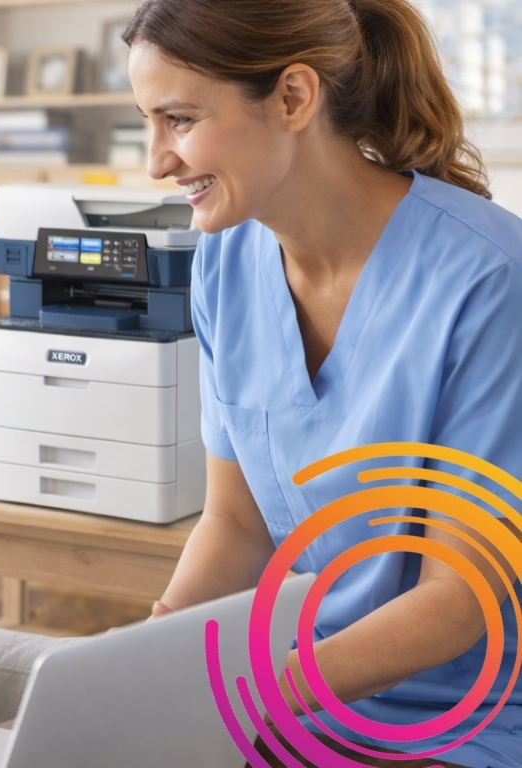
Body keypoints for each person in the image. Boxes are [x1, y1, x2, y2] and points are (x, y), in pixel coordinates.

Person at [124, 1, 522, 766]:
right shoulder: (225, 262)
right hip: (299, 703)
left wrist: (253, 689)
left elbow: (458, 599)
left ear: (294, 98)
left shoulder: (487, 281)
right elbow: (235, 526)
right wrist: (153, 654)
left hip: (461, 725)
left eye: (177, 119)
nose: (156, 161)